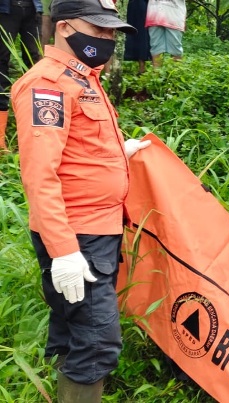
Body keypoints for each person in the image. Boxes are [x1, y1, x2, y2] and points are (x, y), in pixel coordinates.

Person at [10, 0, 150, 400]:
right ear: (66, 28)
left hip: (94, 230)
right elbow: (40, 175)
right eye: (100, 29)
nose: (107, 39)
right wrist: (65, 251)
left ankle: (59, 387)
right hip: (77, 236)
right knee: (97, 342)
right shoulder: (49, 86)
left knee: (73, 327)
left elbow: (74, 151)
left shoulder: (84, 78)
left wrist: (118, 153)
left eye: (112, 33)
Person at [0, 0, 42, 151]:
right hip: (5, 9)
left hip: (32, 8)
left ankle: (37, 128)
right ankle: (0, 138)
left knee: (34, 62)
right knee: (1, 61)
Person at [146, 0, 185, 68]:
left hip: (174, 15)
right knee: (155, 46)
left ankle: (176, 74)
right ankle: (156, 75)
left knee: (175, 47)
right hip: (154, 13)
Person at [125, 0, 151, 74]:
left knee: (141, 33)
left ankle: (142, 67)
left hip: (140, 4)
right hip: (131, 5)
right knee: (131, 31)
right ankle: (141, 67)